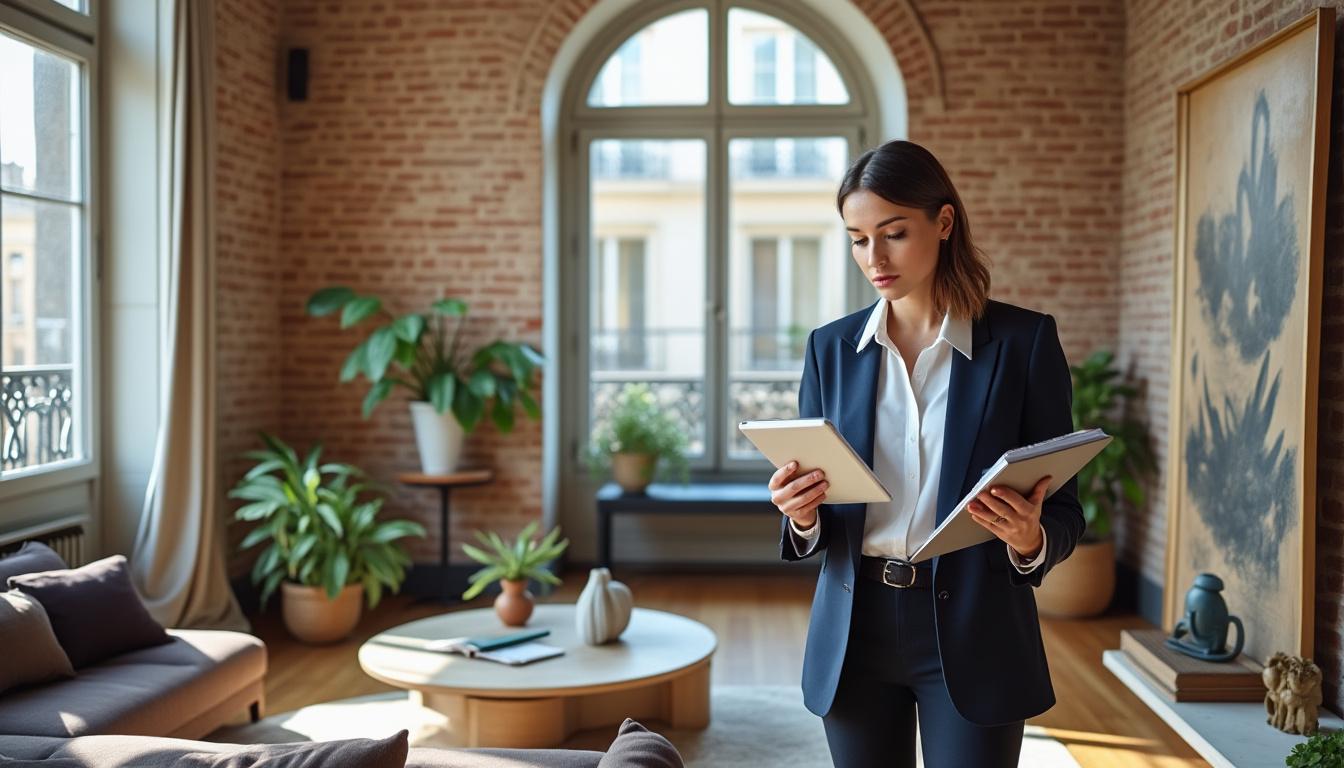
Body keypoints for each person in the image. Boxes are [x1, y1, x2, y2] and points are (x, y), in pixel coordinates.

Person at [768, 139, 1084, 767]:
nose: (873, 257)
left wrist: (1030, 538)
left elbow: (1066, 511)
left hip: (978, 628)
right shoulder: (829, 351)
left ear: (943, 223)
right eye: (858, 238)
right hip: (856, 630)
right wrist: (801, 515)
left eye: (893, 233)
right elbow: (821, 512)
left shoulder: (1023, 344)